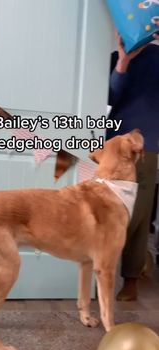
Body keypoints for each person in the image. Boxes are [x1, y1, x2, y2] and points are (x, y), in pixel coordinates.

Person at [106, 27, 159, 301]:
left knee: (138, 216)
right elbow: (110, 98)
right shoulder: (117, 55)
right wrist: (124, 61)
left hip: (148, 147)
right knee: (102, 210)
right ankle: (98, 274)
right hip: (112, 144)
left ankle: (130, 278)